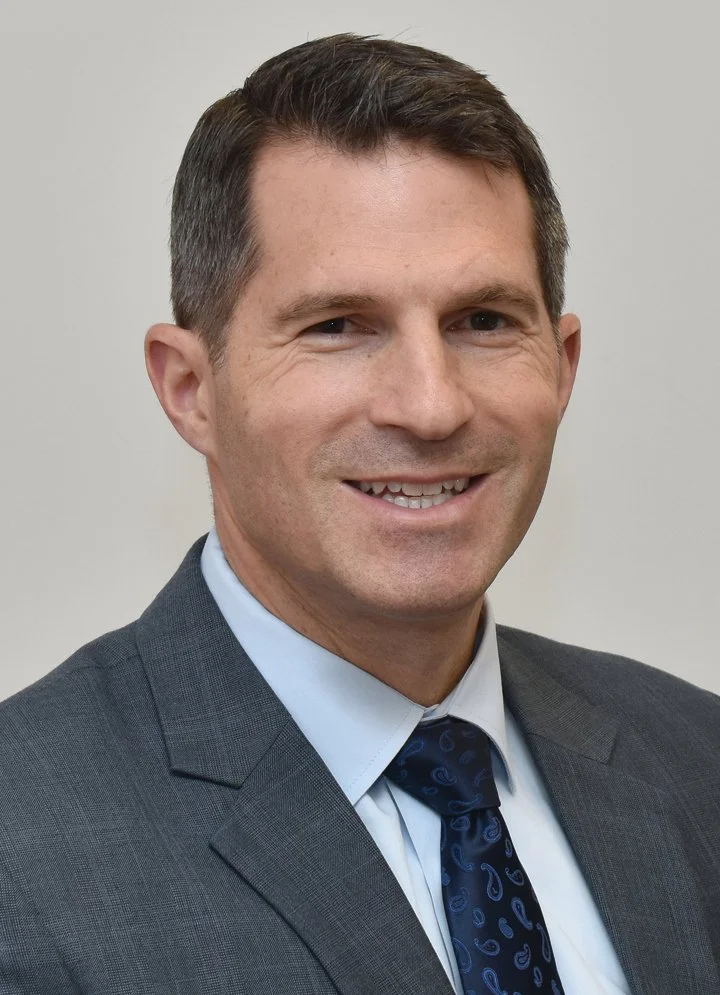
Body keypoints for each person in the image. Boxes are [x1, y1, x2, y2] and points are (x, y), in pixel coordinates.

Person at [0, 32, 717, 995]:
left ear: (563, 364)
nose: (430, 405)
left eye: (484, 322)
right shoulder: (25, 847)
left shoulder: (696, 760)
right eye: (338, 326)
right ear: (190, 389)